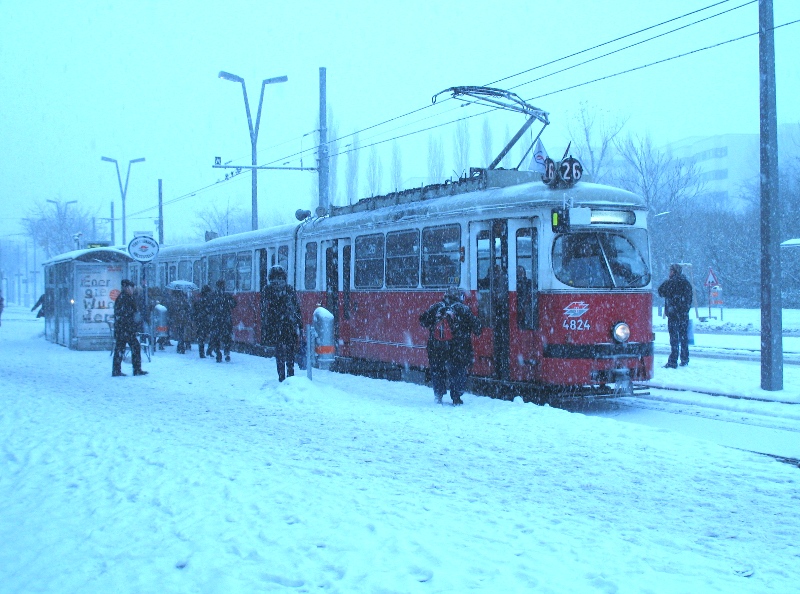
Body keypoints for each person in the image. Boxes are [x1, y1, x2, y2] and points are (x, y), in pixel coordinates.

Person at [419, 286, 482, 405]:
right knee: (458, 371)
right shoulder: (463, 309)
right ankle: (456, 397)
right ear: (459, 296)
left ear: (445, 295)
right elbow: (477, 327)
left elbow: (423, 321)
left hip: (437, 347)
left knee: (437, 370)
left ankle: (438, 395)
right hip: (458, 348)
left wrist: (435, 319)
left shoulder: (437, 307)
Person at [264, 266, 302, 382]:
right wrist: (299, 324)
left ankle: (281, 377)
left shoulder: (268, 290)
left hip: (276, 326)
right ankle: (291, 375)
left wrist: (268, 326)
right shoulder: (289, 289)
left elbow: (266, 310)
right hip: (288, 324)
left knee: (279, 352)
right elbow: (296, 308)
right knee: (290, 352)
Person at [658, 263, 693, 368]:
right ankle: (684, 358)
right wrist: (684, 310)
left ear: (674, 272)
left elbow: (660, 291)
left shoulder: (670, 283)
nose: (669, 273)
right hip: (683, 315)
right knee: (684, 337)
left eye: (671, 271)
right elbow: (689, 299)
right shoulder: (686, 283)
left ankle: (673, 361)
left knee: (674, 339)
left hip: (673, 316)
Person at [112, 279, 148, 377]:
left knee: (120, 349)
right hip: (126, 329)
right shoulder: (126, 298)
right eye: (131, 288)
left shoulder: (123, 297)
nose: (132, 289)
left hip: (122, 329)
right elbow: (127, 314)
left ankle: (117, 370)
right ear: (126, 288)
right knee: (134, 347)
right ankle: (136, 369)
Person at [208, 279, 237, 363]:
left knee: (216, 337)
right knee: (227, 337)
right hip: (226, 320)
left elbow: (209, 307)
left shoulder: (213, 295)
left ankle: (218, 353)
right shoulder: (227, 295)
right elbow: (234, 304)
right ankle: (227, 352)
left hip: (216, 320)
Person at [192, 285, 213, 358]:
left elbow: (194, 311)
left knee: (201, 338)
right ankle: (209, 350)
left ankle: (201, 353)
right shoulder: (210, 300)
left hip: (200, 321)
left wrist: (195, 320)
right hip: (208, 320)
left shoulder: (198, 300)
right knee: (211, 336)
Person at [170, 289, 191, 354]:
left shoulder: (175, 300)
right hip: (183, 318)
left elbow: (172, 309)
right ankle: (181, 346)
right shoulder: (184, 300)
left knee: (179, 332)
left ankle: (180, 346)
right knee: (182, 332)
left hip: (177, 318)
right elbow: (187, 308)